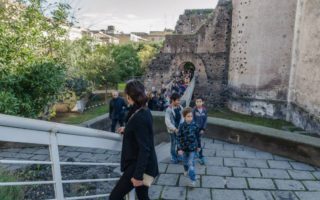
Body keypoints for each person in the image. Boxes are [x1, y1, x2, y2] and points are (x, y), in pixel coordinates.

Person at [109, 80, 159, 200]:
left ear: (128, 96)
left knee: (114, 197)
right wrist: (128, 130)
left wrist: (137, 176)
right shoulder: (142, 110)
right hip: (143, 164)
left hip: (139, 166)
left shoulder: (140, 116)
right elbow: (140, 131)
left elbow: (145, 149)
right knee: (142, 196)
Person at [177, 107, 200, 187]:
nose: (190, 118)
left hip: (192, 149)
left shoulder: (195, 125)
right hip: (184, 149)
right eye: (188, 116)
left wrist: (199, 146)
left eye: (191, 116)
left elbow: (198, 136)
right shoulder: (181, 126)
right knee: (185, 162)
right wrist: (179, 148)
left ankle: (193, 180)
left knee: (191, 163)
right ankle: (186, 170)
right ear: (184, 117)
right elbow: (179, 137)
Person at [165, 93, 184, 164]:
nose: (179, 102)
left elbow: (182, 118)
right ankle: (173, 156)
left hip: (179, 129)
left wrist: (181, 127)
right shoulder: (169, 110)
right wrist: (174, 129)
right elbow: (167, 122)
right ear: (173, 100)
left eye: (179, 100)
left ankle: (179, 155)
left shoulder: (180, 107)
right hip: (173, 130)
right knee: (173, 143)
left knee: (179, 143)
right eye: (178, 100)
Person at [192, 97, 208, 165]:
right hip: (194, 129)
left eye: (200, 101)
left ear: (202, 102)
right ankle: (201, 156)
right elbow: (192, 120)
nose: (198, 103)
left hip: (200, 130)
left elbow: (205, 120)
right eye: (197, 102)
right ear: (195, 103)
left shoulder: (204, 110)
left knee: (198, 141)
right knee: (197, 142)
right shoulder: (194, 110)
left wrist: (203, 129)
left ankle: (197, 153)